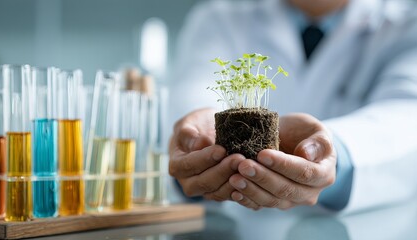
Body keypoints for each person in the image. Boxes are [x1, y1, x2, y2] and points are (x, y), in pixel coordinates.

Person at [168, 0, 417, 213]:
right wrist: (198, 144)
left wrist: (332, 153)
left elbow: (407, 119)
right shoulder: (219, 17)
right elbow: (193, 95)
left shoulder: (407, 24)